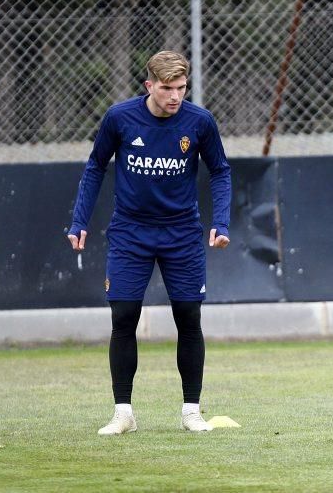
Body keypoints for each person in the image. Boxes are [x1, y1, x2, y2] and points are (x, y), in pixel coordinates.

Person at [67, 51, 232, 435]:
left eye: (181, 88)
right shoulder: (120, 118)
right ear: (149, 86)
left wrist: (220, 221)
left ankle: (192, 411)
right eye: (166, 88)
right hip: (130, 233)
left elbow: (221, 171)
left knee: (188, 317)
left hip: (182, 235)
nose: (175, 96)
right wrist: (79, 221)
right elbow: (95, 168)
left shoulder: (200, 122)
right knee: (123, 317)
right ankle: (123, 412)